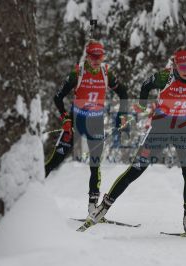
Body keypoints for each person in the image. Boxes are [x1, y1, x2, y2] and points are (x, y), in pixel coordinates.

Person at [86, 46, 186, 234]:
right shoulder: (165, 76)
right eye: (182, 65)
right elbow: (146, 84)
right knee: (136, 169)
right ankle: (102, 208)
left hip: (183, 128)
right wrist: (142, 105)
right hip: (161, 127)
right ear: (175, 64)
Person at [45, 39, 128, 215]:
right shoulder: (78, 72)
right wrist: (65, 119)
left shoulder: (106, 73)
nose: (96, 60)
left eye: (100, 56)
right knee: (55, 161)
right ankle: (31, 197)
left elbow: (123, 92)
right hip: (75, 122)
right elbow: (58, 98)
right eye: (93, 56)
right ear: (88, 57)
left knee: (95, 166)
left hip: (95, 123)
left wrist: (122, 115)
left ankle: (92, 207)